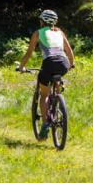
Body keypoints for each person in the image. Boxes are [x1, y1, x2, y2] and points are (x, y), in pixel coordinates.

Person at [18, 9, 74, 140]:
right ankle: (58, 97)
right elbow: (70, 52)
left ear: (42, 21)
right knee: (57, 79)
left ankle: (45, 125)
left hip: (48, 63)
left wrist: (21, 67)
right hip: (63, 63)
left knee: (44, 95)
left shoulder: (38, 33)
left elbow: (29, 53)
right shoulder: (60, 32)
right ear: (54, 22)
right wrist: (70, 65)